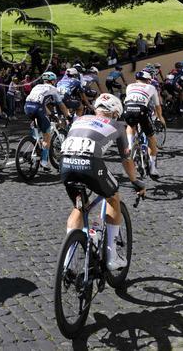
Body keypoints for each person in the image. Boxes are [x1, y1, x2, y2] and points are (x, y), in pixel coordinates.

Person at [59, 94, 145, 272]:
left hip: (65, 163)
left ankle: (68, 263)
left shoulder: (80, 119)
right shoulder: (119, 126)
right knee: (113, 197)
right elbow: (126, 160)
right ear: (115, 113)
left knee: (79, 206)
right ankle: (112, 256)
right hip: (90, 164)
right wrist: (136, 181)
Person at [24, 72, 69, 172]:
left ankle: (35, 141)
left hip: (27, 107)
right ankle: (44, 162)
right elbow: (61, 104)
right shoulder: (53, 89)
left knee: (37, 125)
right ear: (53, 81)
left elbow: (41, 103)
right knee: (47, 135)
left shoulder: (37, 86)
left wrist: (51, 115)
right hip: (38, 108)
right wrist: (68, 116)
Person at [123, 71, 166, 177]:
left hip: (127, 109)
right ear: (148, 80)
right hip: (141, 110)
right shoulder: (151, 87)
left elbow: (132, 99)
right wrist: (160, 118)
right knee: (151, 138)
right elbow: (157, 105)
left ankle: (130, 144)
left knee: (131, 125)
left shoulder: (129, 86)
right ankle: (152, 168)